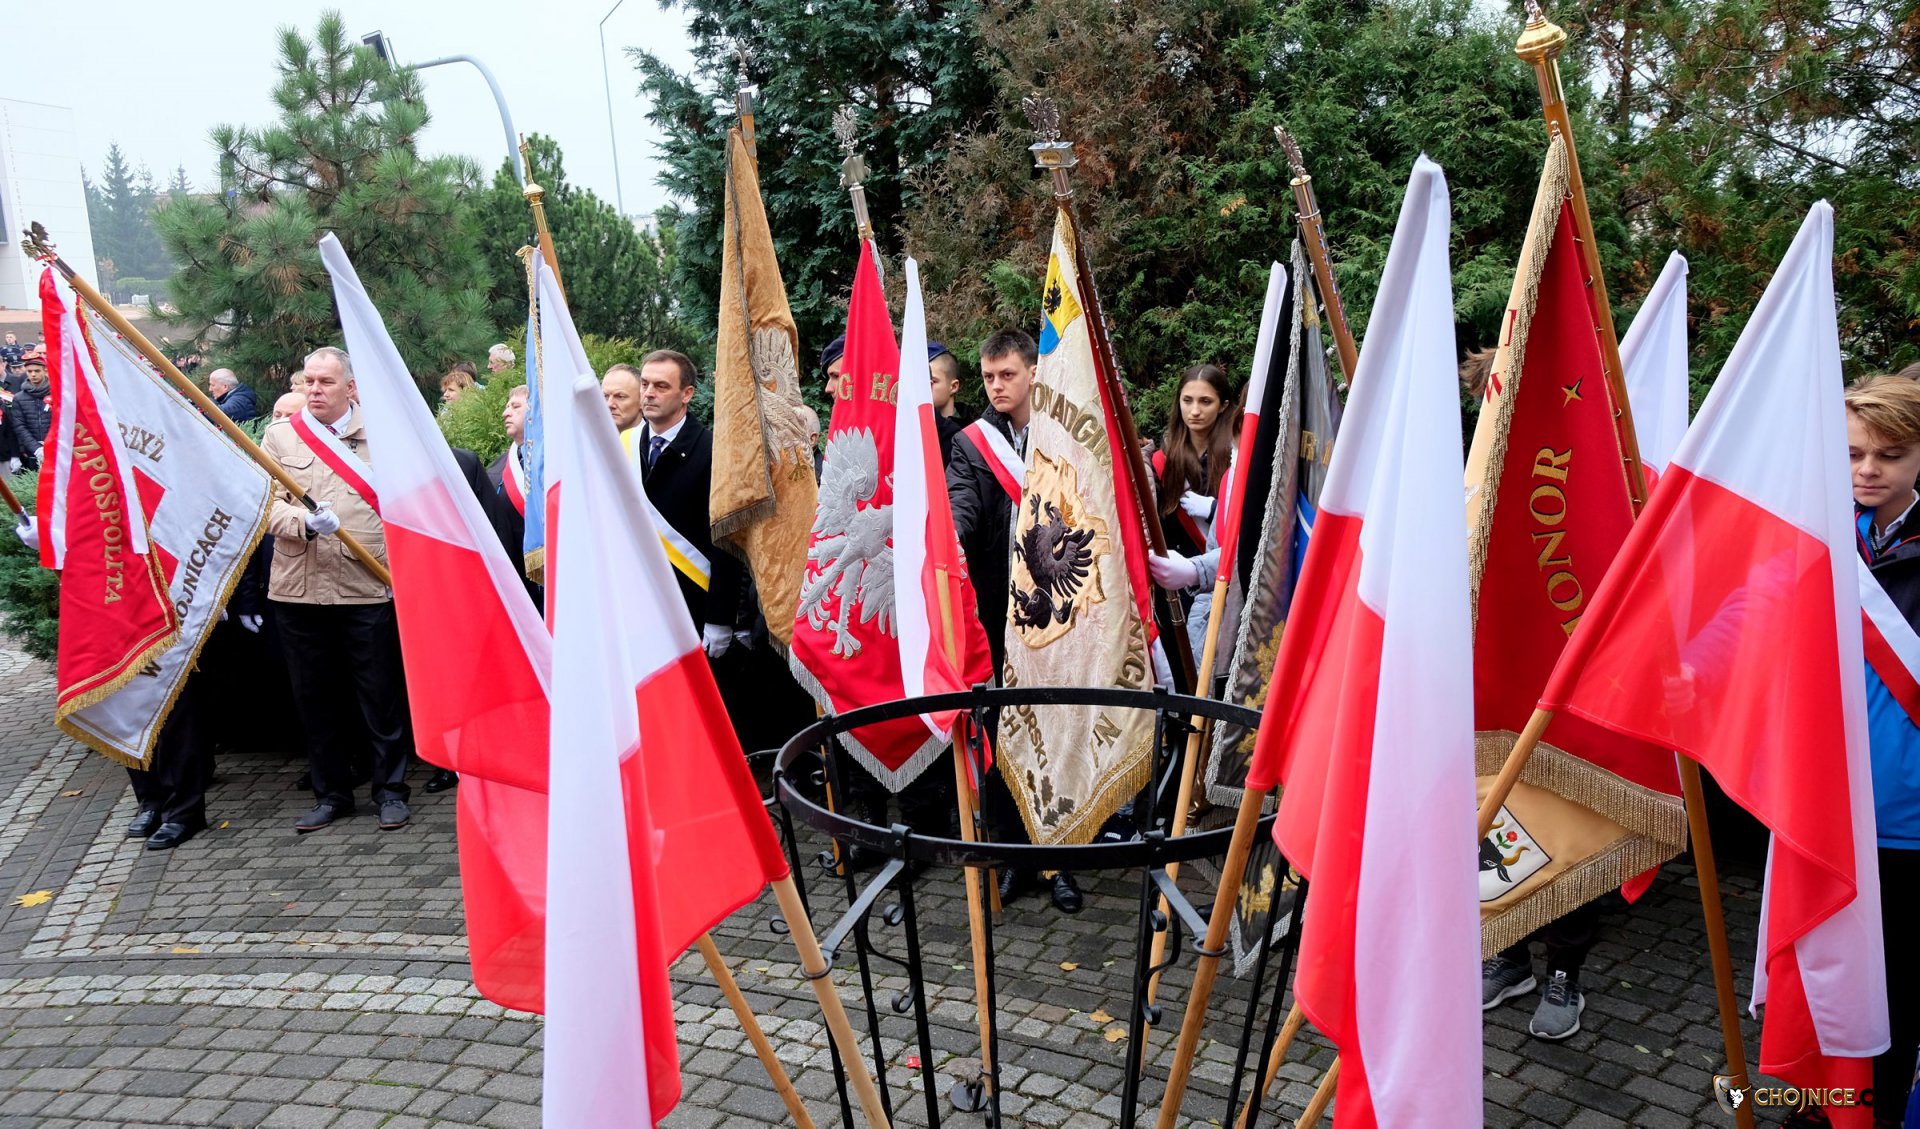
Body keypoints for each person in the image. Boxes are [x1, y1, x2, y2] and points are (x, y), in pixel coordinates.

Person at [946, 328, 1082, 914]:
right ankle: (1010, 856)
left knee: (1056, 732)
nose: (997, 386)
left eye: (1007, 375)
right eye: (988, 376)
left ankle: (1061, 859)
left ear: (1033, 373)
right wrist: (948, 536)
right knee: (1002, 733)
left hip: (1059, 613)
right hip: (999, 615)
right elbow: (962, 503)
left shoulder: (1067, 434)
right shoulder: (971, 445)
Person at [260, 346, 415, 833]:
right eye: (309, 381)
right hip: (299, 588)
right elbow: (263, 504)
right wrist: (301, 522)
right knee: (315, 699)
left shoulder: (384, 433)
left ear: (350, 387)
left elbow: (411, 503)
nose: (314, 390)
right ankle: (332, 795)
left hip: (366, 585)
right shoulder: (281, 435)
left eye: (325, 382)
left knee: (379, 697)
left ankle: (390, 791)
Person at [1843, 374, 1920, 1125]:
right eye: (1854, 453)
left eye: (1890, 455)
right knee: (1834, 979)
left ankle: (1882, 1110)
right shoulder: (1822, 532)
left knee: (1898, 990)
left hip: (1907, 820)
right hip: (1831, 803)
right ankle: (1833, 1099)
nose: (1868, 470)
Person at [609, 352, 741, 654]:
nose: (649, 393)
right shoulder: (624, 445)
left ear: (687, 394)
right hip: (634, 605)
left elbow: (728, 542)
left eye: (661, 386)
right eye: (644, 384)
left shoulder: (713, 451)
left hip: (690, 606)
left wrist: (720, 618)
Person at [6, 359, 52, 469]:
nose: (33, 374)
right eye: (29, 371)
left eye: (37, 371)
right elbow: (19, 426)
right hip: (32, 451)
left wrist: (50, 444)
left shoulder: (56, 393)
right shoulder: (19, 398)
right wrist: (36, 448)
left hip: (56, 447)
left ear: (45, 371)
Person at [929, 342, 968, 462]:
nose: (924, 387)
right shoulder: (913, 428)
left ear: (954, 386)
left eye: (933, 381)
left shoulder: (970, 433)